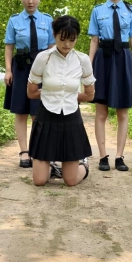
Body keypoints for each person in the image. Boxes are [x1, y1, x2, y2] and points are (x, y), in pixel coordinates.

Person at [27, 15, 94, 187]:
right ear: (54, 35)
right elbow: (31, 92)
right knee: (39, 181)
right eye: (62, 39)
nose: (67, 44)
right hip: (46, 116)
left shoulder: (82, 60)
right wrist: (52, 94)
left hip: (71, 117)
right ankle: (51, 167)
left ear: (77, 38)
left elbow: (89, 95)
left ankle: (83, 165)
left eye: (72, 40)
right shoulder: (43, 58)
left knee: (70, 181)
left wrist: (67, 96)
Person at [87, 0, 132, 172]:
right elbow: (94, 40)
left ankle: (120, 157)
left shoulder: (131, 10)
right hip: (103, 60)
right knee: (101, 111)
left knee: (122, 112)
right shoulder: (97, 11)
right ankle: (103, 156)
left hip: (124, 59)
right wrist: (88, 68)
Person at [3, 0, 55, 168]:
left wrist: (52, 70)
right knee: (21, 111)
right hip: (21, 68)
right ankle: (24, 152)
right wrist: (8, 70)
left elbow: (52, 47)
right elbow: (9, 47)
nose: (30, 1)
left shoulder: (47, 20)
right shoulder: (14, 21)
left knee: (38, 112)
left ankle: (36, 150)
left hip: (41, 68)